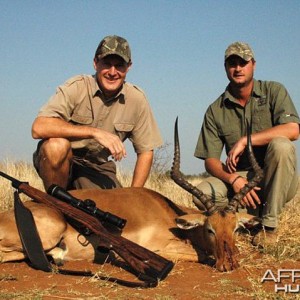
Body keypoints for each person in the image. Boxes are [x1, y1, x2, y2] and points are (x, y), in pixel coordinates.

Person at [194, 41, 299, 247]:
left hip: (274, 178)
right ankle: (244, 218)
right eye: (232, 63)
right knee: (203, 194)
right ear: (226, 68)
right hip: (240, 181)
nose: (238, 68)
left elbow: (293, 130)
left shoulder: (274, 91)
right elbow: (211, 161)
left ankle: (269, 228)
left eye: (243, 62)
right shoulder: (215, 109)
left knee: (282, 145)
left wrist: (245, 140)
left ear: (253, 64)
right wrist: (232, 179)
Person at [32, 35, 163, 191]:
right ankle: (55, 204)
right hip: (65, 159)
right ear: (95, 63)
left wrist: (133, 195)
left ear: (128, 67)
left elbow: (146, 151)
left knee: (116, 212)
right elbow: (38, 128)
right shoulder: (77, 86)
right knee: (56, 146)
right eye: (107, 64)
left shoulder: (137, 99)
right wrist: (94, 133)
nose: (112, 72)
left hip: (97, 168)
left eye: (119, 65)